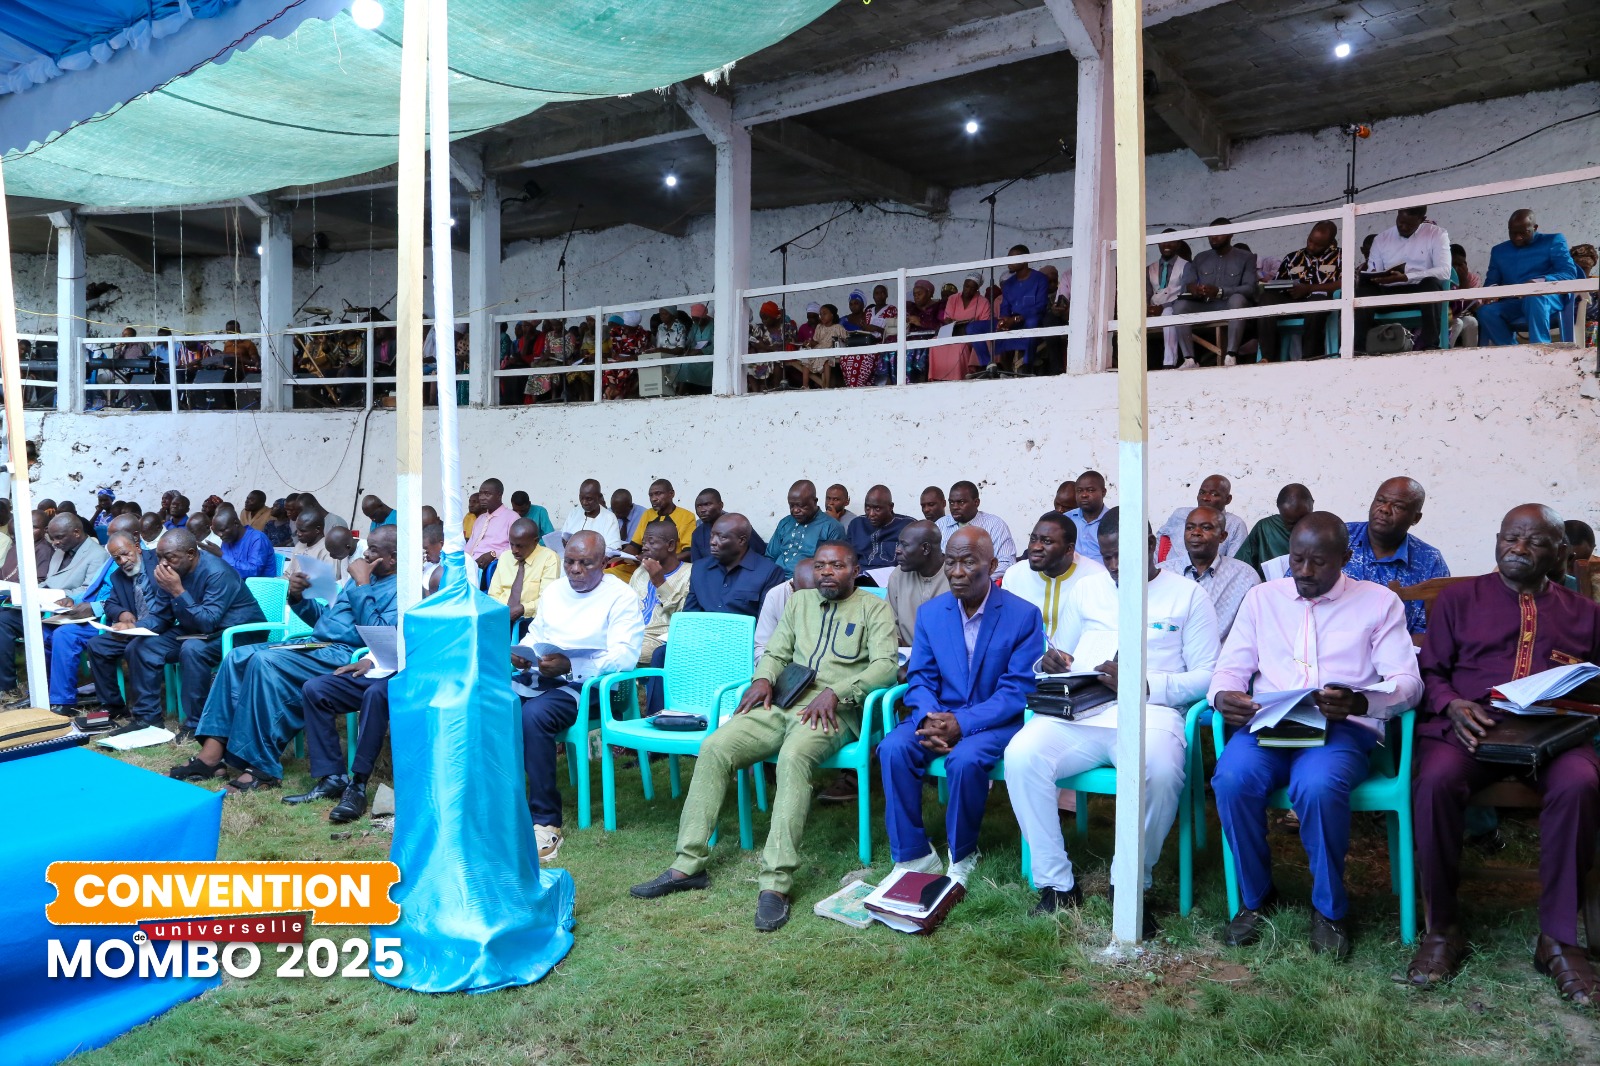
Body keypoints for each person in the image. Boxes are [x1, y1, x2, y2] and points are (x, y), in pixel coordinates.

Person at [629, 540, 897, 932]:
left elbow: (886, 667)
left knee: (793, 758)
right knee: (715, 746)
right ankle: (687, 865)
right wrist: (762, 679)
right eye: (821, 566)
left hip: (833, 712)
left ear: (855, 570)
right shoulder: (799, 602)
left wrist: (837, 692)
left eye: (837, 566)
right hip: (783, 702)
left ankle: (775, 883)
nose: (827, 572)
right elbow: (775, 652)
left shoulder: (874, 608)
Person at [1405, 505, 1600, 999]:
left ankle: (1557, 940)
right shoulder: (1458, 599)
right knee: (1435, 781)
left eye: (1534, 541)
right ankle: (1442, 928)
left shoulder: (1586, 614)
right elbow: (1430, 672)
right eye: (1511, 537)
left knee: (1580, 783)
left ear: (1559, 551)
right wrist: (1452, 704)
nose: (1518, 548)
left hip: (1553, 737)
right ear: (1497, 539)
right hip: (1471, 729)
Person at [1209, 513, 1422, 958]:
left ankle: (1329, 909)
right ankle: (1256, 897)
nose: (1304, 571)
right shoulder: (1262, 598)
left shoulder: (1378, 603)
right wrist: (1223, 695)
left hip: (1340, 727)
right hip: (1269, 724)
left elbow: (1407, 682)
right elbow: (1230, 668)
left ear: (1345, 557)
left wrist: (1360, 702)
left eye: (1318, 562)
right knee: (1231, 779)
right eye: (1297, 559)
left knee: (1318, 786)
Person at [1008, 508, 1220, 925]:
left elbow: (1207, 676)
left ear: (1151, 545)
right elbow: (1062, 654)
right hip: (1084, 713)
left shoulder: (1188, 595)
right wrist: (1051, 662)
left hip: (1152, 713)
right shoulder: (1088, 590)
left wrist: (1143, 684)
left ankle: (1129, 882)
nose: (1116, 565)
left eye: (1125, 554)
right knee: (1021, 755)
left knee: (1160, 769)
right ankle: (1056, 883)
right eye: (1107, 556)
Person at [173, 526, 400, 791]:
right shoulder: (363, 578)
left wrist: (362, 584)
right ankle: (211, 755)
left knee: (264, 662)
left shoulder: (400, 588)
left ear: (393, 557)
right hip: (318, 645)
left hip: (347, 655)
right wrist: (298, 597)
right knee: (237, 656)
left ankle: (262, 767)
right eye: (367, 547)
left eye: (373, 549)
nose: (366, 553)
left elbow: (380, 636)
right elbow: (325, 623)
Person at [880, 528, 1041, 883]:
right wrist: (928, 717)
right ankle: (913, 854)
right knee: (893, 748)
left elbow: (1017, 689)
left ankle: (964, 852)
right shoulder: (931, 614)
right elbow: (920, 677)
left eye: (968, 562)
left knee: (965, 760)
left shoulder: (1023, 615)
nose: (956, 572)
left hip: (995, 720)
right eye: (950, 562)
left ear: (992, 566)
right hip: (938, 713)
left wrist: (962, 722)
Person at [516, 531, 644, 859]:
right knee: (495, 704)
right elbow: (536, 633)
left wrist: (572, 665)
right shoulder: (555, 591)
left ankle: (545, 821)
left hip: (593, 687)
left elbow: (624, 655)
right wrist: (523, 653)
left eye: (585, 563)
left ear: (604, 562)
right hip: (546, 677)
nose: (575, 570)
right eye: (570, 562)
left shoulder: (621, 596)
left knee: (534, 716)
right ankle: (501, 804)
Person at [88, 529, 266, 738]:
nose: (163, 563)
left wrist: (177, 591)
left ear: (191, 554)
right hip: (197, 628)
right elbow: (161, 617)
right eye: (159, 557)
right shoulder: (171, 572)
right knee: (140, 646)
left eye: (169, 557)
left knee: (193, 649)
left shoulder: (218, 572)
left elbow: (208, 622)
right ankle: (147, 718)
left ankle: (197, 724)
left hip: (238, 632)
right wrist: (133, 628)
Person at [0, 513, 111, 704]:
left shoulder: (97, 555)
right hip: (45, 605)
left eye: (59, 537)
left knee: (36, 630)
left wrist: (56, 596)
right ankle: (17, 687)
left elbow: (88, 590)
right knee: (4, 619)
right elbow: (50, 581)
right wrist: (26, 593)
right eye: (52, 537)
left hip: (67, 610)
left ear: (76, 532)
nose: (55, 542)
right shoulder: (60, 549)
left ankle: (44, 692)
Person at [1343, 477, 1449, 638]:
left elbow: (1432, 628)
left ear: (1415, 518)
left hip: (1401, 649)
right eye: (1380, 501)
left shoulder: (1430, 560)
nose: (1385, 509)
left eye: (1398, 506)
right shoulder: (1339, 538)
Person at [1002, 511, 1108, 649]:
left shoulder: (1096, 577)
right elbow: (1005, 630)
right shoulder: (1014, 575)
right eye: (1033, 539)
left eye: (1047, 541)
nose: (1035, 547)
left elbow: (1101, 635)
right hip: (1025, 660)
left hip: (1077, 660)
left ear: (1069, 549)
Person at [1475, 209, 1582, 346]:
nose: (1517, 237)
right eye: (1513, 233)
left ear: (1535, 228)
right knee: (1485, 312)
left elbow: (1569, 273)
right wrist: (1491, 293)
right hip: (1513, 303)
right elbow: (1491, 282)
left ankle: (1540, 349)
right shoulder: (1499, 251)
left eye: (1523, 232)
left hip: (1547, 298)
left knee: (1534, 297)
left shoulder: (1553, 241)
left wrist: (1538, 282)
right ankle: (1512, 352)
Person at [1355, 206, 1451, 353]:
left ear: (1422, 219)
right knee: (1364, 291)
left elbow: (1444, 271)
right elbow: (1375, 271)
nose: (1404, 227)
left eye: (1409, 224)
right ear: (1398, 213)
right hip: (1388, 294)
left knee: (1431, 284)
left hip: (1419, 294)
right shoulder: (1381, 239)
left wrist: (1407, 277)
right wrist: (1375, 276)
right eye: (1400, 222)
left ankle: (1430, 346)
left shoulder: (1437, 234)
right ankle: (1359, 349)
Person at [1160, 506, 1260, 638]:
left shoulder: (1245, 576)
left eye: (1206, 528)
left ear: (1222, 536)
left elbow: (1254, 630)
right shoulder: (1163, 573)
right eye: (1189, 528)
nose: (1196, 532)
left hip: (1222, 651)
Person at [1171, 219, 1259, 368]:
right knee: (1180, 305)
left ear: (1231, 234)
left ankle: (1231, 355)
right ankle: (1189, 359)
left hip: (1230, 305)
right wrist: (1194, 289)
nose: (1213, 237)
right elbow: (1188, 283)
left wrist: (1220, 291)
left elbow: (1250, 288)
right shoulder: (1200, 258)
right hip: (1205, 306)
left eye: (1218, 233)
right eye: (1211, 234)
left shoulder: (1246, 257)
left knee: (1238, 299)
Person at [1256, 221, 1341, 362]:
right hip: (1292, 301)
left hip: (1319, 302)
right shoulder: (1293, 258)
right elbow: (1277, 282)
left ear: (1330, 243)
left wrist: (1309, 289)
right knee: (1266, 298)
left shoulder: (1340, 256)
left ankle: (1310, 358)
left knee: (1317, 303)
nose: (1311, 246)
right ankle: (1267, 357)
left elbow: (1345, 282)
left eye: (1318, 244)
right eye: (1310, 240)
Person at [629, 519, 692, 664]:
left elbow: (685, 617)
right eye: (644, 543)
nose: (644, 547)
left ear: (670, 545)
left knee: (622, 654)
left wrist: (660, 582)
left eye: (651, 542)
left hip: (658, 641)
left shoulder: (690, 573)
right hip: (628, 634)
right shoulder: (640, 571)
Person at [487, 519, 562, 635]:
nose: (514, 550)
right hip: (501, 617)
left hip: (530, 621)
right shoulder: (505, 557)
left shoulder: (549, 558)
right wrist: (501, 612)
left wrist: (524, 609)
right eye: (511, 544)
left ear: (535, 541)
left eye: (520, 546)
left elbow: (547, 600)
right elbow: (493, 595)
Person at [1157, 474, 1245, 568]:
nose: (1205, 498)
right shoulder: (1180, 514)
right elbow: (1158, 543)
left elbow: (1235, 564)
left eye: (1214, 494)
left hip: (1211, 575)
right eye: (1202, 492)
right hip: (1171, 572)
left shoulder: (1235, 524)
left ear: (1228, 499)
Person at [615, 480, 697, 579]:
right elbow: (634, 546)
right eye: (651, 495)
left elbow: (688, 553)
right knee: (608, 573)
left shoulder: (686, 516)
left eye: (658, 494)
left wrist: (658, 561)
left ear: (671, 494)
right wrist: (617, 556)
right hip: (644, 566)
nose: (653, 499)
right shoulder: (647, 514)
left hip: (672, 569)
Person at [886, 521, 949, 647]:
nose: (897, 550)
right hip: (905, 654)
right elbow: (888, 623)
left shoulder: (956, 576)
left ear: (926, 548)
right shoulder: (898, 575)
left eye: (904, 545)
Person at [767, 480, 845, 578]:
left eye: (801, 506)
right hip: (776, 578)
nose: (795, 510)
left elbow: (834, 567)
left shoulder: (832, 527)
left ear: (814, 501)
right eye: (791, 506)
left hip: (807, 582)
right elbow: (770, 557)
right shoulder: (785, 523)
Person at [935, 481, 1017, 574]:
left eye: (961, 502)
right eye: (951, 503)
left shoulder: (995, 525)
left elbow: (1006, 563)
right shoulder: (940, 525)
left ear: (976, 502)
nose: (955, 507)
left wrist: (979, 580)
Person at [1236, 483, 1314, 578]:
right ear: (1279, 508)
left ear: (1312, 504)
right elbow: (1239, 568)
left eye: (1303, 520)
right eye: (1291, 523)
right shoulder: (1264, 528)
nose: (1298, 527)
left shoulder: (1323, 532)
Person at [994, 246, 1050, 374]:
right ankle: (1006, 372)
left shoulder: (1040, 279)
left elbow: (1040, 306)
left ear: (1025, 260)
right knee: (998, 328)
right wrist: (1005, 319)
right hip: (1015, 321)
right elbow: (1005, 306)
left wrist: (1017, 318)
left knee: (1032, 322)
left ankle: (1027, 368)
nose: (1009, 262)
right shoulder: (1008, 284)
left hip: (1035, 319)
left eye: (1013, 258)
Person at [930, 274, 991, 381]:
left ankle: (959, 376)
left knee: (960, 346)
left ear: (977, 289)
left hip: (970, 335)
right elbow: (947, 318)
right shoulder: (953, 298)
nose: (968, 290)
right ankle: (937, 376)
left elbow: (984, 323)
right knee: (934, 342)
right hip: (952, 331)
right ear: (963, 284)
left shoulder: (983, 302)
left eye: (972, 288)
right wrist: (959, 322)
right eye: (966, 286)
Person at [1147, 233, 1193, 369]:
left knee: (1168, 313)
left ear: (1178, 244)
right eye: (1163, 241)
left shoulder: (1186, 266)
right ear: (1158, 244)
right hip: (1153, 310)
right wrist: (1147, 308)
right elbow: (1146, 293)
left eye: (1171, 241)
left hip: (1173, 308)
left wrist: (1163, 307)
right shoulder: (1150, 268)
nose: (1166, 245)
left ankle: (1169, 363)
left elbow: (1185, 294)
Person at [689, 488, 765, 563]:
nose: (702, 510)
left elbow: (761, 554)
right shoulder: (697, 534)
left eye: (707, 504)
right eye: (699, 506)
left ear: (721, 505)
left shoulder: (738, 525)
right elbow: (697, 564)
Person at [846, 485, 912, 571]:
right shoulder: (856, 524)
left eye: (877, 509)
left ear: (891, 507)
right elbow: (847, 556)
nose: (871, 514)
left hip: (892, 576)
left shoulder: (907, 526)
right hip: (859, 575)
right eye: (867, 508)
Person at [464, 478, 517, 572]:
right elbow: (469, 546)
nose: (482, 498)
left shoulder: (512, 518)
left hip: (491, 567)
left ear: (499, 495)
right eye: (480, 494)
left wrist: (494, 554)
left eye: (487, 494)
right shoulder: (480, 519)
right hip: (470, 565)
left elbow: (516, 548)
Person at [210, 504, 275, 580]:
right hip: (235, 583)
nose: (220, 535)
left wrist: (221, 555)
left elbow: (254, 571)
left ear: (236, 523)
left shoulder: (257, 538)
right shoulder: (227, 540)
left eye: (222, 530)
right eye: (217, 532)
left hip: (260, 586)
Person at [561, 479, 623, 555]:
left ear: (599, 497)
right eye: (581, 498)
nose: (584, 502)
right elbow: (562, 536)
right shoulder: (574, 513)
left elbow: (614, 549)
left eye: (589, 499)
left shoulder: (609, 518)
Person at [284, 508, 345, 582]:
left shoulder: (328, 550)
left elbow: (328, 581)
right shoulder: (300, 545)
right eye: (298, 530)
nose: (298, 534)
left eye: (303, 531)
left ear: (317, 529)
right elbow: (288, 575)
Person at [1065, 470, 1110, 565]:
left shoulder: (1114, 521)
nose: (1084, 495)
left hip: (1104, 573)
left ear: (1103, 492)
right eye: (1079, 491)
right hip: (1073, 573)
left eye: (1090, 490)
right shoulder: (1067, 519)